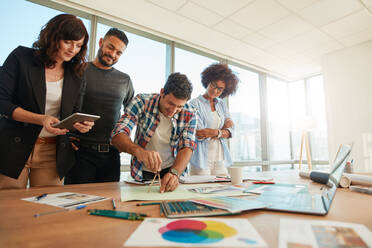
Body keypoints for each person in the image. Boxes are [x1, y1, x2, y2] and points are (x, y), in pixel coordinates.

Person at [0, 14, 94, 189]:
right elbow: (2, 102)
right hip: (13, 146)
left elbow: (72, 113)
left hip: (53, 152)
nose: (73, 49)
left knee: (47, 208)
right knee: (8, 208)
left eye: (79, 45)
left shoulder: (77, 74)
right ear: (53, 37)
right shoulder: (21, 57)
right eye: (68, 42)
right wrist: (41, 119)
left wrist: (78, 125)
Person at [64, 28, 134, 184]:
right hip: (80, 152)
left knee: (109, 203)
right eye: (110, 47)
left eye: (119, 52)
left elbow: (131, 115)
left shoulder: (125, 80)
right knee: (78, 203)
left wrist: (125, 138)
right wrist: (65, 137)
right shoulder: (79, 70)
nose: (113, 54)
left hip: (111, 154)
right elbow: (63, 107)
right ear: (101, 42)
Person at [111, 72, 196, 192]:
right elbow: (118, 134)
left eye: (179, 107)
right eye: (170, 103)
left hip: (173, 170)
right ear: (162, 92)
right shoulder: (142, 102)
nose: (173, 111)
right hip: (142, 171)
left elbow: (187, 146)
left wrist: (175, 173)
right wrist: (139, 152)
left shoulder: (190, 113)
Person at [189, 63, 239, 176]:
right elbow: (200, 133)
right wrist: (222, 130)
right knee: (201, 191)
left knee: (222, 188)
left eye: (220, 89)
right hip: (200, 159)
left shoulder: (222, 104)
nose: (215, 91)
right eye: (213, 85)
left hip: (220, 158)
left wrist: (213, 132)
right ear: (208, 81)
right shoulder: (194, 104)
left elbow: (232, 130)